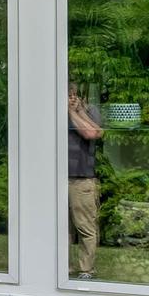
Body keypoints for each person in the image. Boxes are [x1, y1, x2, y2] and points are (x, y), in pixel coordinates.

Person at [69, 86, 103, 279]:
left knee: (85, 226)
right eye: (68, 95)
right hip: (55, 178)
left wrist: (74, 111)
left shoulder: (90, 111)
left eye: (74, 94)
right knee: (58, 227)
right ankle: (63, 267)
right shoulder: (51, 111)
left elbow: (92, 133)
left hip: (81, 179)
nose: (71, 98)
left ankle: (86, 270)